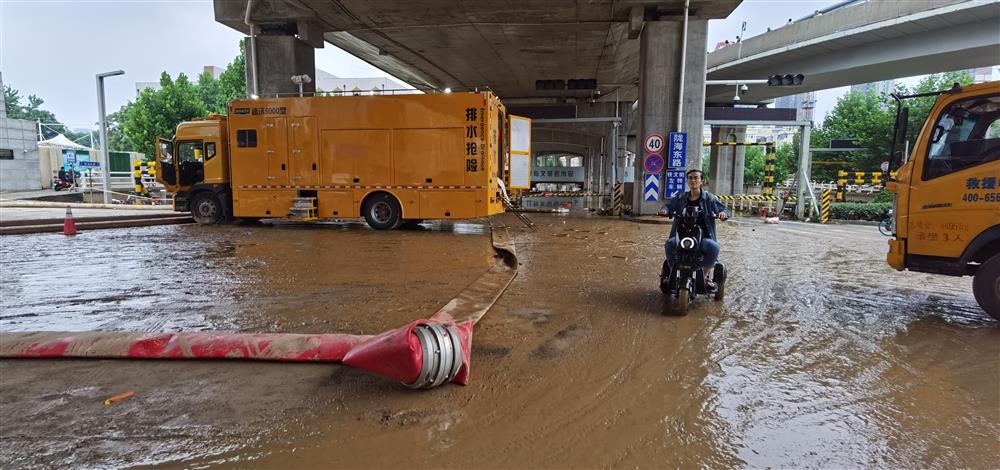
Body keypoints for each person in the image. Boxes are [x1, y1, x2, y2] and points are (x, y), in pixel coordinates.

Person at [659, 169, 731, 291]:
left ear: (701, 181)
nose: (693, 180)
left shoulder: (709, 198)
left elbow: (725, 210)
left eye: (696, 178)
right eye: (690, 178)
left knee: (714, 247)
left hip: (703, 237)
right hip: (682, 236)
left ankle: (704, 276)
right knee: (670, 244)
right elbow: (668, 206)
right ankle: (673, 273)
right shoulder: (681, 197)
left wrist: (723, 214)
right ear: (687, 181)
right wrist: (665, 210)